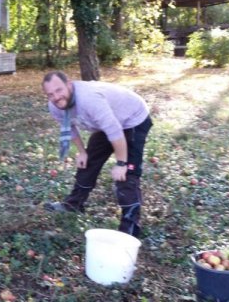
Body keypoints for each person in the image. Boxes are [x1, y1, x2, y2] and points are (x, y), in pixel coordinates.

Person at [41, 71, 153, 237]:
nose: (56, 97)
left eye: (59, 90)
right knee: (89, 161)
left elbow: (115, 132)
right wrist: (81, 152)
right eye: (50, 94)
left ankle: (130, 228)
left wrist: (121, 163)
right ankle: (74, 205)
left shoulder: (89, 100)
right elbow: (69, 127)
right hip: (109, 122)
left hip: (132, 117)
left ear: (69, 85)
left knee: (126, 174)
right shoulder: (55, 106)